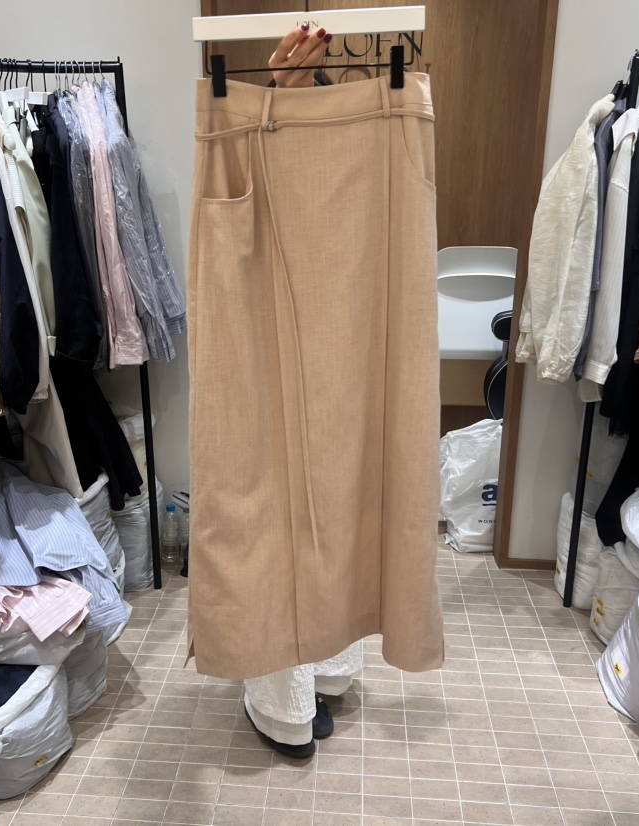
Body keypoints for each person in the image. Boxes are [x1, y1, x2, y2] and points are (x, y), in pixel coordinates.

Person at [241, 23, 363, 760]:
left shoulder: (361, 134)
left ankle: (303, 686)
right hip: (312, 331)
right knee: (295, 504)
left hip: (317, 331)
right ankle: (299, 687)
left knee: (307, 504)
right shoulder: (359, 138)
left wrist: (285, 99)